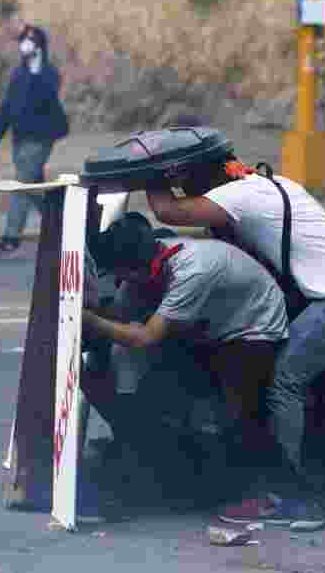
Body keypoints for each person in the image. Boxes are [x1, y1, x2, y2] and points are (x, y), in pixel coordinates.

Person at [145, 148, 325, 529]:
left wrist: (150, 171)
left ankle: (288, 489)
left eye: (189, 184)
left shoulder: (238, 196)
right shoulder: (273, 185)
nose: (188, 192)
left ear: (208, 181)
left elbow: (168, 212)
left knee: (284, 381)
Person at [80, 213, 289, 512]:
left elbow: (145, 337)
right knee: (165, 390)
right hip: (215, 323)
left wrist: (89, 320)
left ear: (136, 269)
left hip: (253, 325)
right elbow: (121, 316)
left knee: (238, 410)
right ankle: (188, 475)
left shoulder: (192, 271)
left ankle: (262, 497)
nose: (119, 283)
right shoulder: (152, 257)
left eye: (122, 275)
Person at [0, 24, 69, 255]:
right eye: (22, 40)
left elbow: (47, 100)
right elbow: (7, 108)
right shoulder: (18, 74)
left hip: (40, 139)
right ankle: (63, 226)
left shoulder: (48, 74)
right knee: (34, 188)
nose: (24, 45)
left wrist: (36, 72)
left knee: (22, 185)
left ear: (40, 46)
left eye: (29, 41)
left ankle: (11, 238)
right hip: (19, 140)